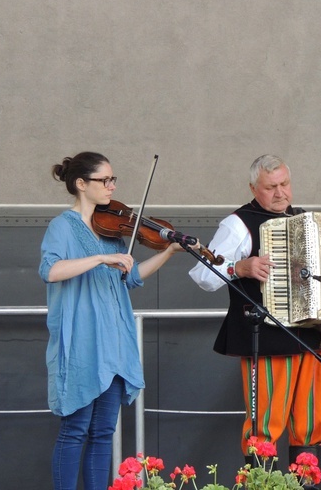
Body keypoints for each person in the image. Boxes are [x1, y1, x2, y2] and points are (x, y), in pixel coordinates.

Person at [188, 154, 321, 480]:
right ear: (254, 188)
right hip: (264, 338)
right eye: (271, 187)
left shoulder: (306, 222)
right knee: (264, 425)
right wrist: (240, 267)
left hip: (309, 337)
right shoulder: (238, 224)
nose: (280, 193)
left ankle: (305, 485)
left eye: (285, 184)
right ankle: (263, 486)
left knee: (311, 421)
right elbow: (203, 275)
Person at [39, 151, 189, 490]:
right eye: (104, 180)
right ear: (81, 184)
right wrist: (101, 257)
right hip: (82, 343)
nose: (112, 186)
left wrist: (166, 252)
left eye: (113, 179)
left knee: (103, 433)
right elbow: (51, 271)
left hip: (114, 345)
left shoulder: (109, 230)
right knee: (75, 430)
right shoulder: (62, 226)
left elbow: (131, 277)